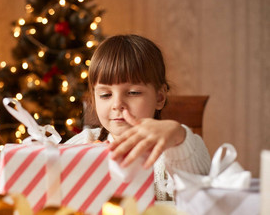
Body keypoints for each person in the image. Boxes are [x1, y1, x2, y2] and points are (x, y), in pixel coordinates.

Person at [65, 34, 211, 200]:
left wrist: (178, 135)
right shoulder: (85, 142)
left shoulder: (174, 144)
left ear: (159, 98)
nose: (117, 104)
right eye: (105, 95)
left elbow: (203, 184)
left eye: (133, 93)